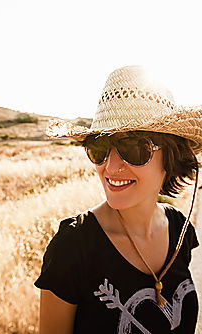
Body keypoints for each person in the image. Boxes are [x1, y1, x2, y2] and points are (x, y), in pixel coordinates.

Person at [34, 66, 202, 333]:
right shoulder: (74, 246)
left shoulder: (180, 230)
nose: (110, 168)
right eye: (100, 148)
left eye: (134, 149)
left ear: (171, 156)